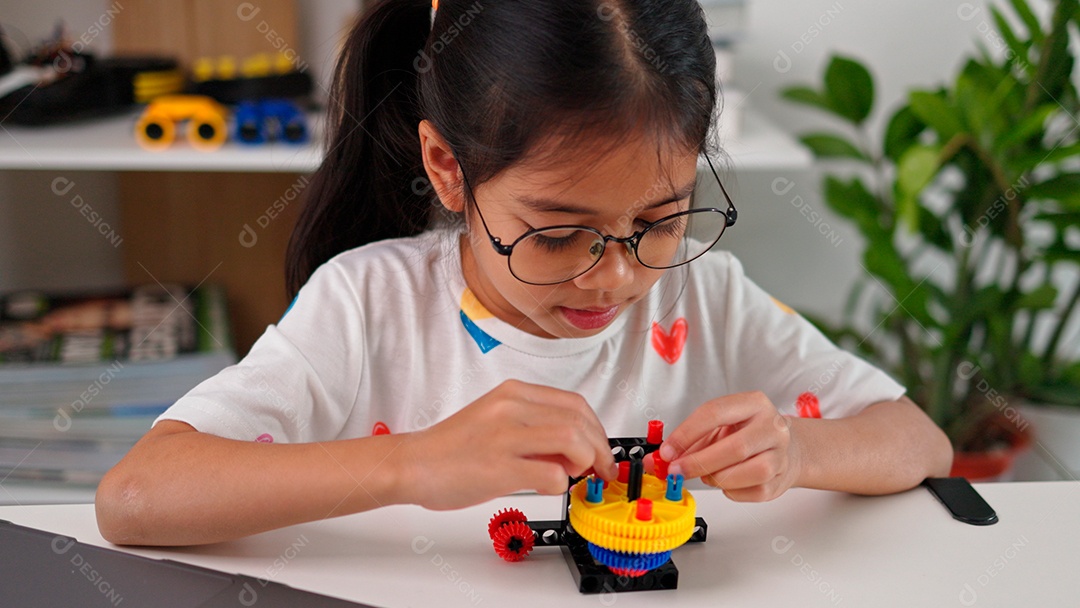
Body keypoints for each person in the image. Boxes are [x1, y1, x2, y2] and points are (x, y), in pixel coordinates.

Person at [96, 0, 951, 546]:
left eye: (658, 221)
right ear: (447, 168)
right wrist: (414, 464)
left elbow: (919, 439)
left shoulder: (707, 298)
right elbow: (136, 496)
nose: (615, 277)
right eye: (557, 234)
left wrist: (798, 451)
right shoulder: (368, 306)